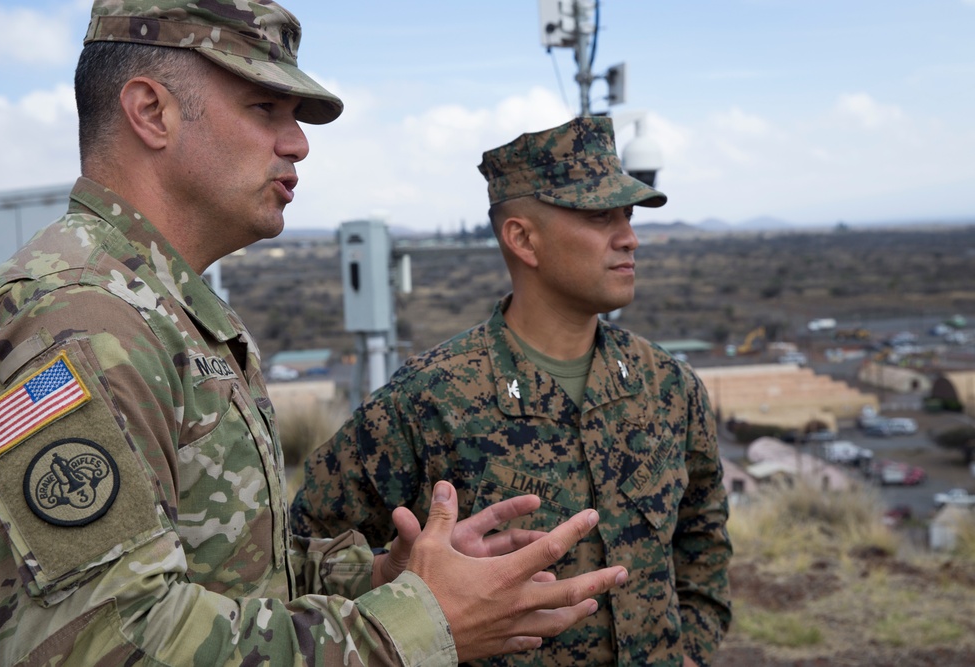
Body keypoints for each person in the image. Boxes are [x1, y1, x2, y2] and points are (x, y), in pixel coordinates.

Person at [0, 3, 629, 665]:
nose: (297, 143)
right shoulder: (74, 318)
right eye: (265, 109)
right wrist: (416, 625)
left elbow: (228, 570)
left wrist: (387, 581)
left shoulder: (160, 307)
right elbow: (107, 642)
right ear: (151, 111)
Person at [292, 117, 732, 666]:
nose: (630, 237)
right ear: (522, 238)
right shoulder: (429, 402)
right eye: (600, 216)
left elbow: (702, 537)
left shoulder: (667, 386)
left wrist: (690, 650)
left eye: (628, 216)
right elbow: (301, 557)